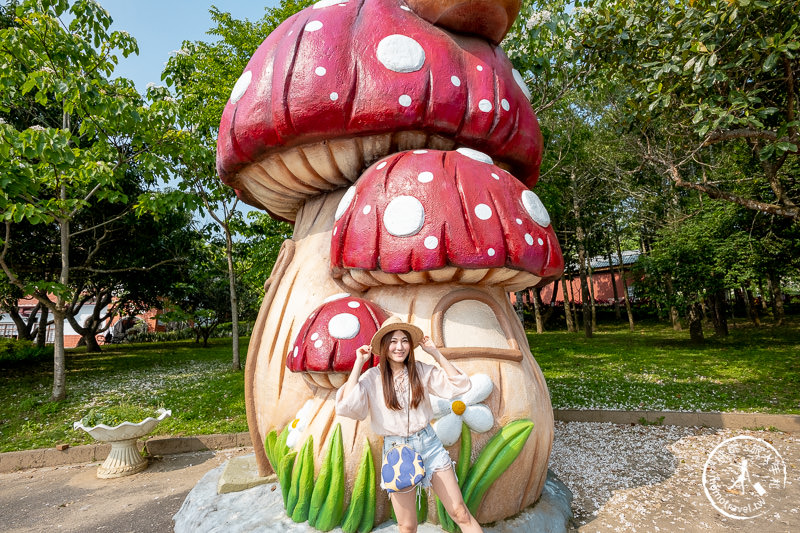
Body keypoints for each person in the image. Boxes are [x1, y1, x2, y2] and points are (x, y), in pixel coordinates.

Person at [335, 316, 483, 533]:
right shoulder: (372, 378)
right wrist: (359, 363)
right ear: (384, 346)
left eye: (404, 341)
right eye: (393, 341)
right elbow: (347, 406)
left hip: (429, 445)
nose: (399, 347)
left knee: (460, 512)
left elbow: (460, 384)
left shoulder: (421, 371)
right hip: (397, 452)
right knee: (407, 526)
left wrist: (435, 352)